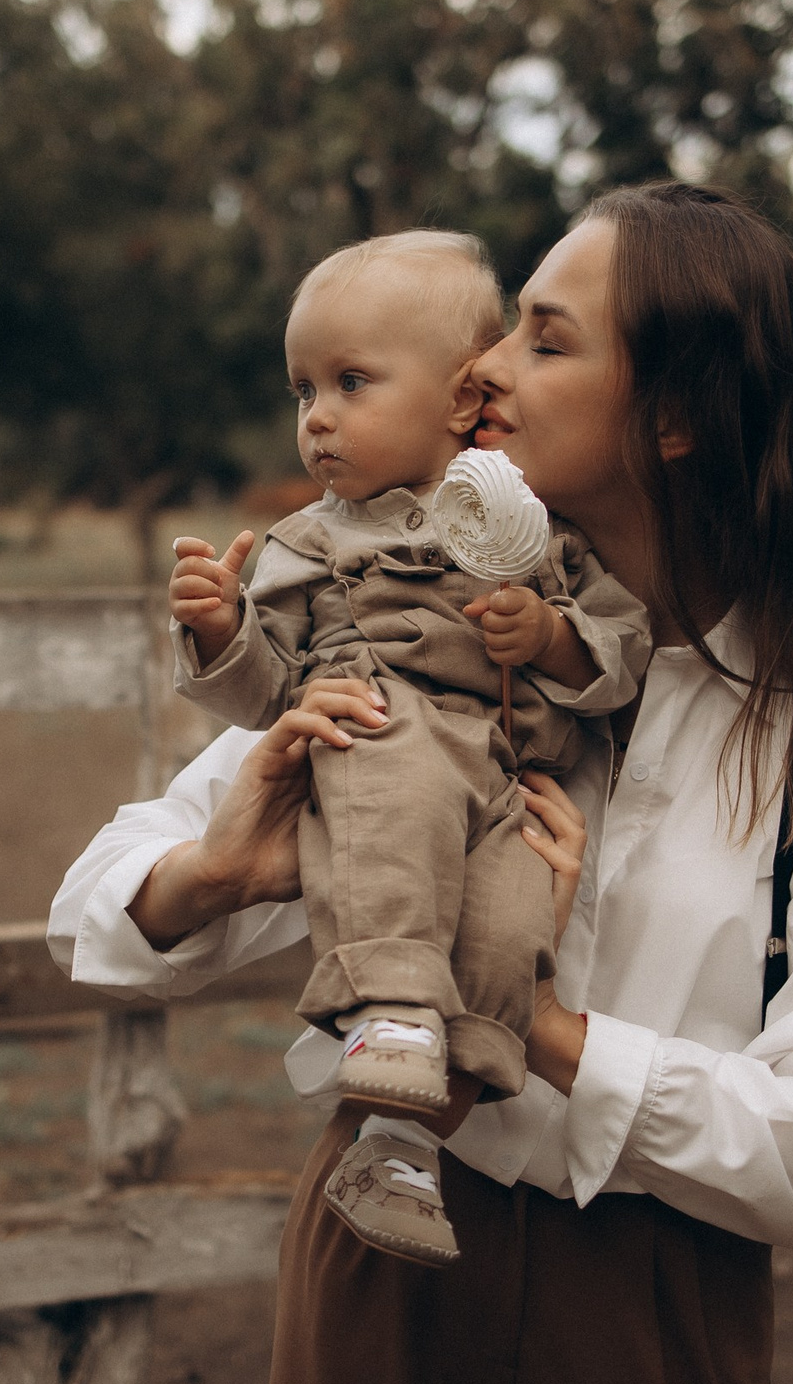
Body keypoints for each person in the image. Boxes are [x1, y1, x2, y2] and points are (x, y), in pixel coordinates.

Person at [48, 182, 793, 1384]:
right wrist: (215, 872)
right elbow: (95, 920)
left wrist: (537, 1024)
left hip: (650, 1316)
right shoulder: (406, 625)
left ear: (673, 416)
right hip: (371, 1282)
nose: (483, 366)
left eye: (547, 341)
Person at [165, 229, 651, 1266]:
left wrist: (551, 635)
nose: (320, 418)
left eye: (350, 382)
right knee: (394, 805)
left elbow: (618, 647)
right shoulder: (312, 539)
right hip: (376, 723)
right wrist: (220, 632)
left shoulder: (534, 527)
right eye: (302, 391)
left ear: (460, 397)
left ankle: (401, 1143)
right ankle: (387, 1003)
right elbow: (263, 693)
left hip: (511, 774)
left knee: (511, 923)